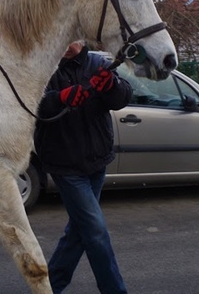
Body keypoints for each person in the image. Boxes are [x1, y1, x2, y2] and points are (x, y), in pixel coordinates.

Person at [34, 41, 132, 294]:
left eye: (73, 39)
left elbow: (123, 97)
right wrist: (60, 98)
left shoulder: (99, 63)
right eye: (63, 38)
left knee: (79, 231)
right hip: (65, 165)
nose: (66, 45)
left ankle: (49, 287)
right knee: (96, 231)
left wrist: (112, 86)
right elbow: (32, 104)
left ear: (82, 37)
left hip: (97, 161)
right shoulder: (43, 65)